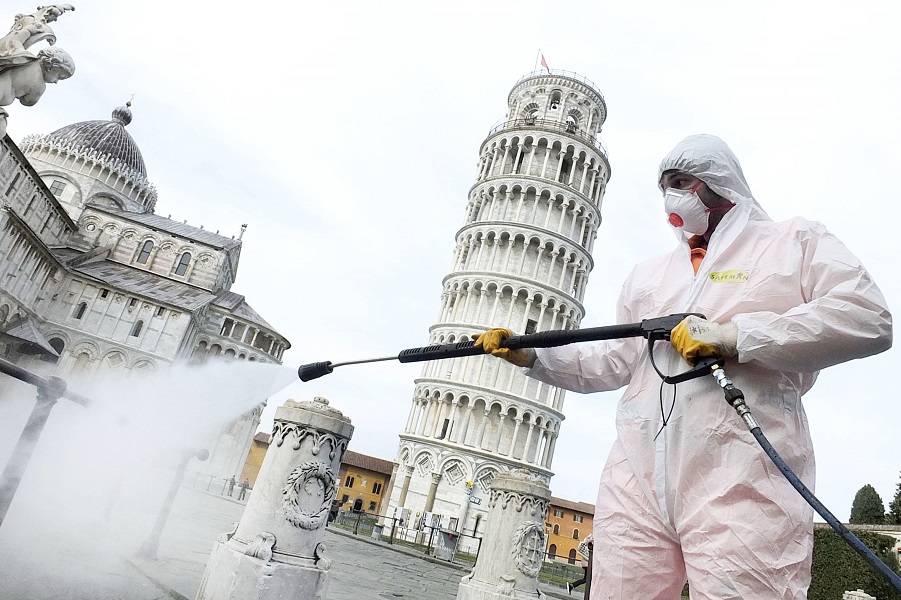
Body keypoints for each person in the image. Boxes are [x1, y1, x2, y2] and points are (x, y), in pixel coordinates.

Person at [474, 135, 892, 599]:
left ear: (719, 182)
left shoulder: (793, 242)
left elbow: (865, 317)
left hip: (741, 477)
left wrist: (736, 336)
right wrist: (533, 355)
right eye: (664, 186)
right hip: (637, 477)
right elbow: (613, 360)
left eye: (681, 181)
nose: (672, 196)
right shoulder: (650, 275)